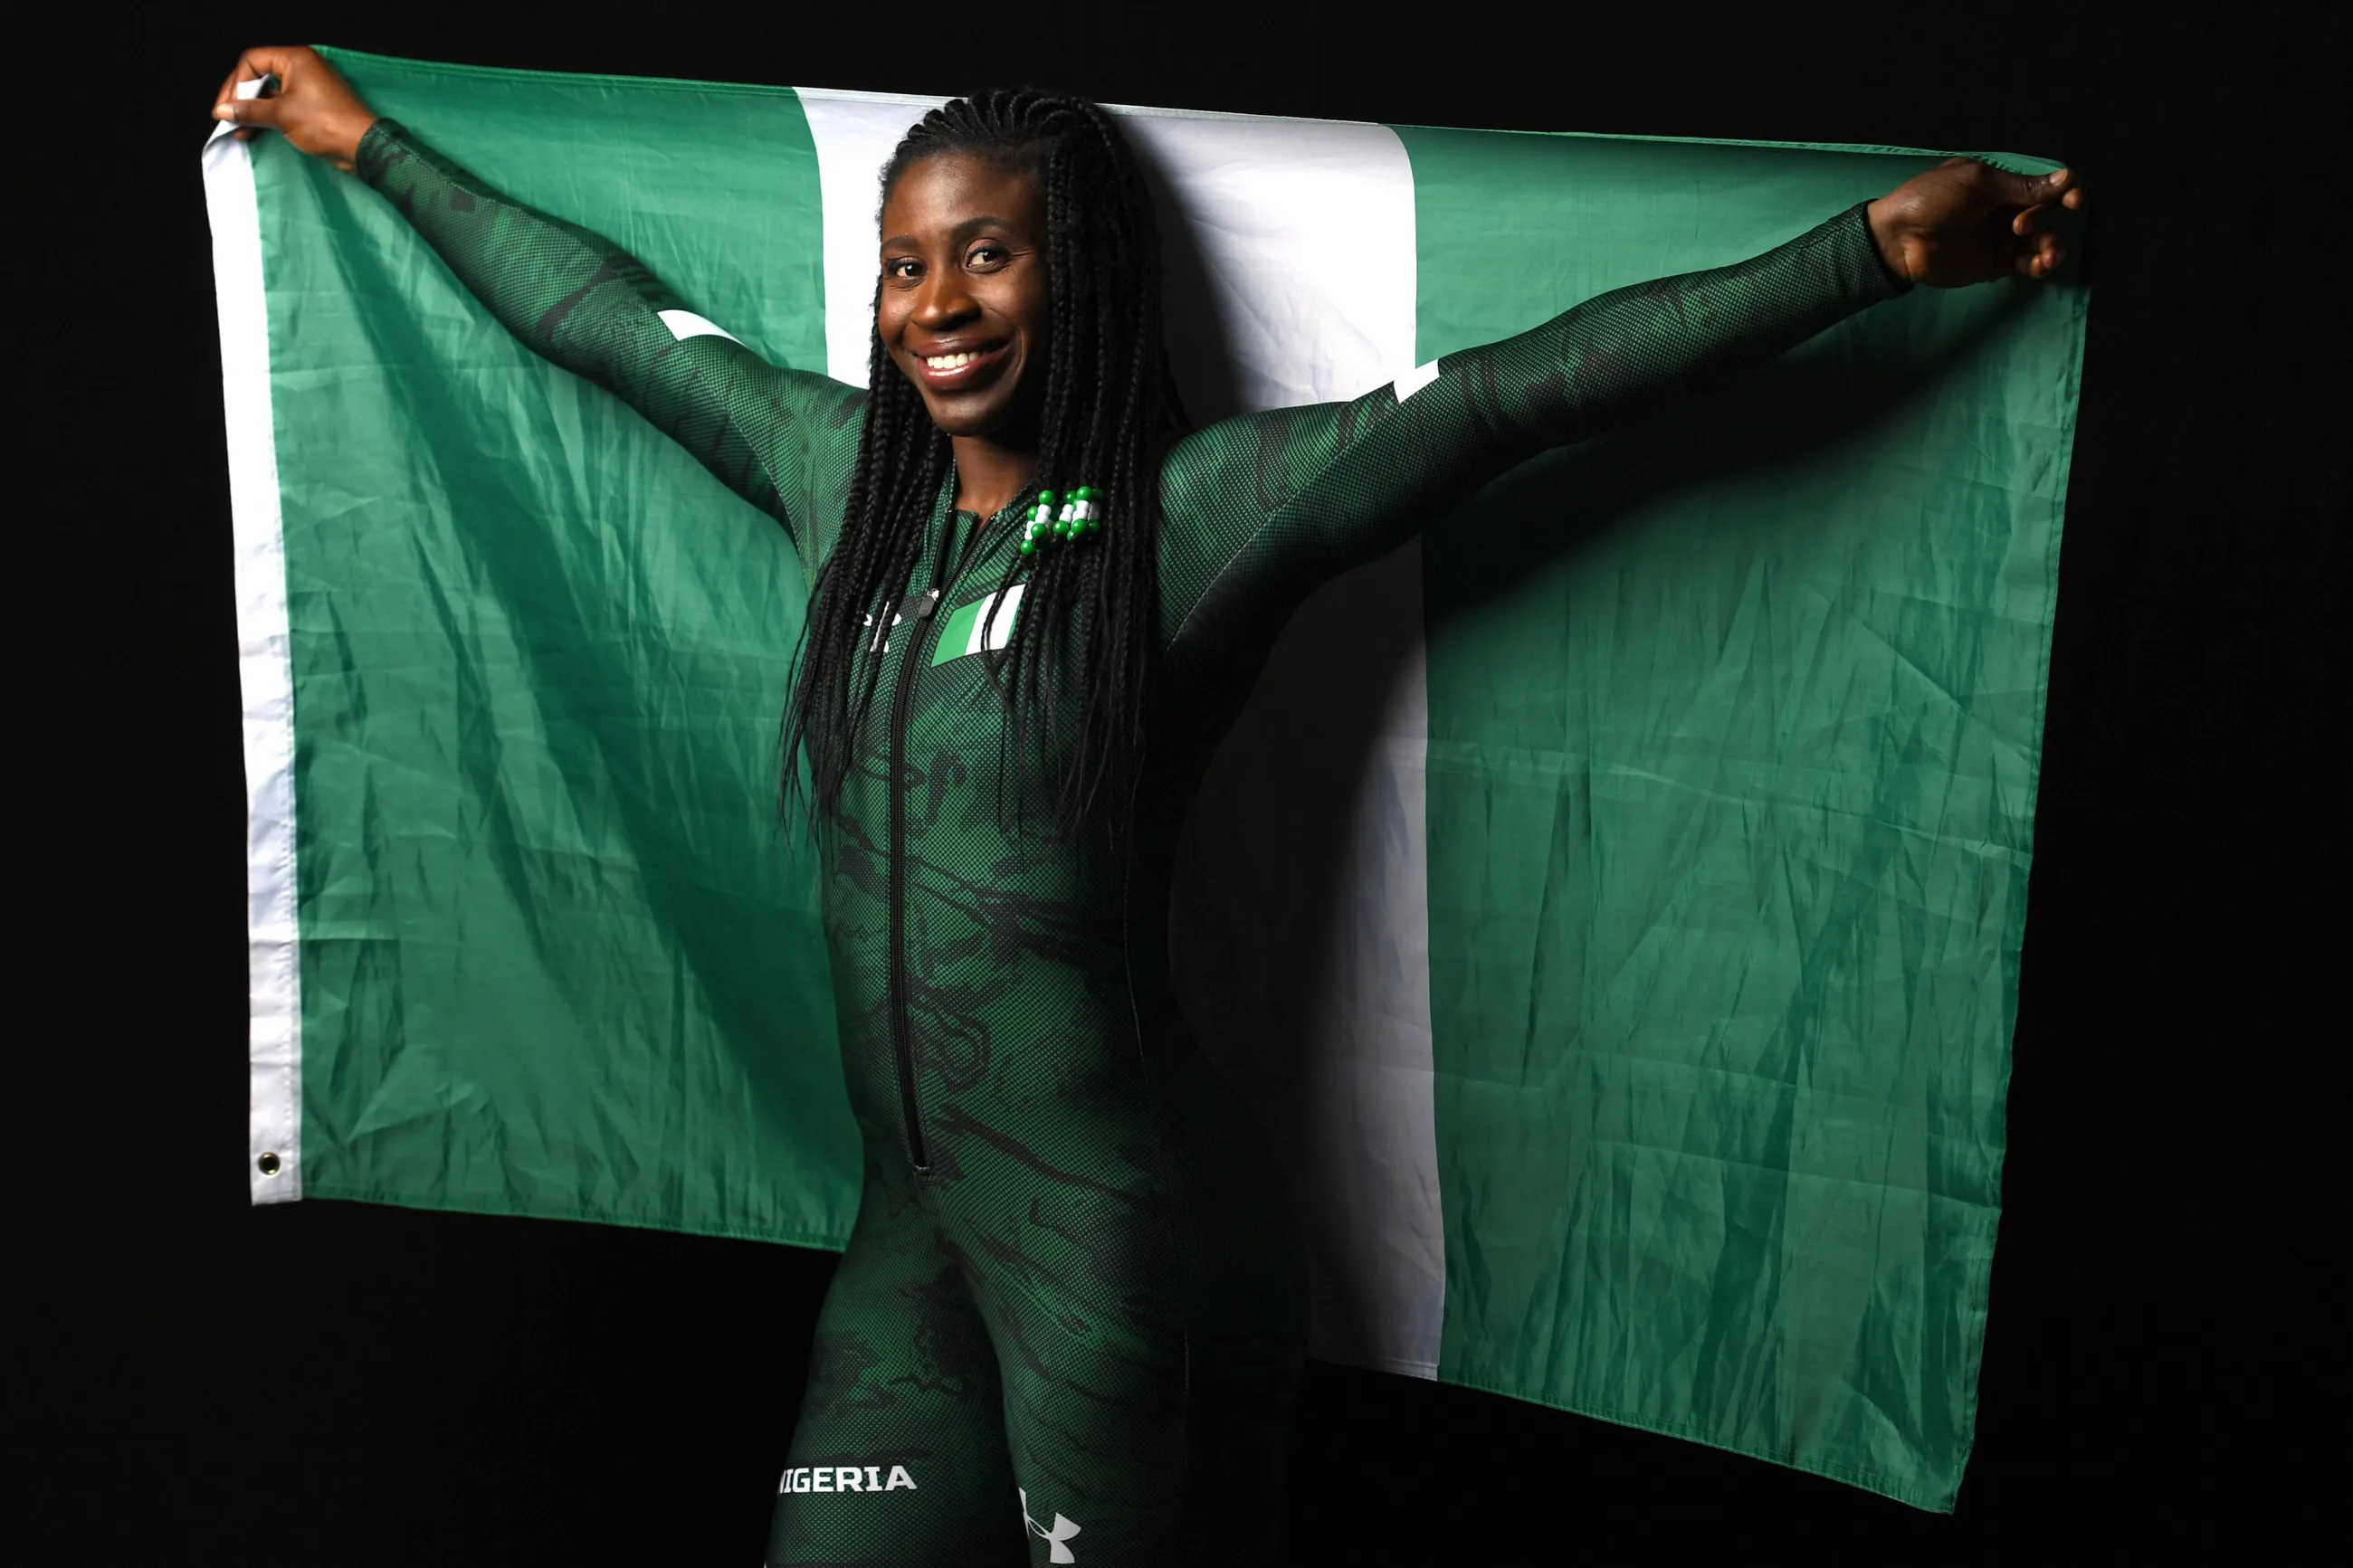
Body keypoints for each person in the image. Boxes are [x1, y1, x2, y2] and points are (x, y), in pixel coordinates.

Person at [212, 44, 2082, 1566]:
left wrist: (1866, 258)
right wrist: (360, 138)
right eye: (907, 261)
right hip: (913, 1246)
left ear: (1084, 269)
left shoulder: (1196, 519)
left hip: (1120, 1260)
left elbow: (1511, 400)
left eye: (992, 255)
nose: (936, 305)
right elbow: (605, 319)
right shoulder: (829, 474)